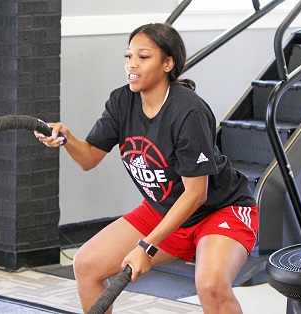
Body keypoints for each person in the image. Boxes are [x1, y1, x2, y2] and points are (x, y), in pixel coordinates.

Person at [35, 23, 258, 314]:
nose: (132, 65)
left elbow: (196, 195)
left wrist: (147, 246)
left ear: (168, 63)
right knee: (86, 264)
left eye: (143, 57)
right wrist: (66, 138)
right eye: (128, 57)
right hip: (163, 208)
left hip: (219, 211)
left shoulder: (188, 111)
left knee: (211, 286)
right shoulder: (122, 101)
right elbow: (89, 158)